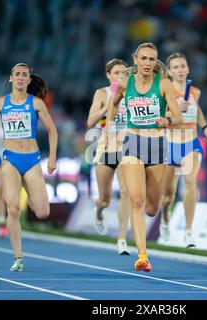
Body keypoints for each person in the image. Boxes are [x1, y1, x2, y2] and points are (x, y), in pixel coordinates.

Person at [106, 43, 182, 272]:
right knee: (136, 201)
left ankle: (152, 220)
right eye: (144, 58)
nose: (148, 63)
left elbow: (177, 116)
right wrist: (110, 128)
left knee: (151, 208)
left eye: (152, 59)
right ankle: (142, 256)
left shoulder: (164, 84)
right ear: (135, 60)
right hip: (133, 143)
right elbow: (114, 104)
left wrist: (167, 121)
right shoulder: (125, 83)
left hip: (157, 146)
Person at [0, 63, 57, 272]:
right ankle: (18, 257)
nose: (21, 78)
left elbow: (52, 131)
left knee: (43, 213)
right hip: (9, 158)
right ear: (11, 78)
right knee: (12, 209)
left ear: (29, 80)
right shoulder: (0, 102)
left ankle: (27, 187)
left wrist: (52, 159)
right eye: (17, 74)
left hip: (31, 159)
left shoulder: (36, 103)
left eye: (24, 75)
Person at [159, 53, 207, 248]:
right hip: (170, 144)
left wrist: (206, 128)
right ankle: (165, 219)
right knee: (168, 196)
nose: (180, 70)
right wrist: (174, 109)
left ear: (188, 69)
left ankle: (188, 231)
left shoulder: (195, 92)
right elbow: (157, 115)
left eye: (183, 66)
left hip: (191, 143)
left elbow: (197, 111)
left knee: (191, 182)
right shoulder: (163, 91)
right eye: (176, 67)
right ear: (169, 72)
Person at [87, 58, 131, 255]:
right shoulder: (101, 93)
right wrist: (108, 106)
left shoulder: (133, 93)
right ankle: (98, 212)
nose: (120, 76)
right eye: (116, 73)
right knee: (105, 198)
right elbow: (90, 122)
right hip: (106, 149)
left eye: (123, 73)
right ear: (108, 75)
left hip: (127, 148)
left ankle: (122, 238)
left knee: (126, 193)